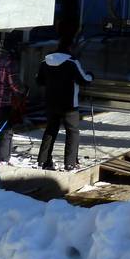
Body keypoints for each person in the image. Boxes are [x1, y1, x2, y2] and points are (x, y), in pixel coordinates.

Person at [36, 41, 92, 171]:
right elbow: (84, 80)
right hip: (69, 104)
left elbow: (39, 81)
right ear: (70, 49)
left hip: (51, 102)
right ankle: (70, 163)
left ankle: (43, 160)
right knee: (72, 132)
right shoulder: (72, 62)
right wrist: (91, 76)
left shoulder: (45, 62)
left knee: (50, 130)